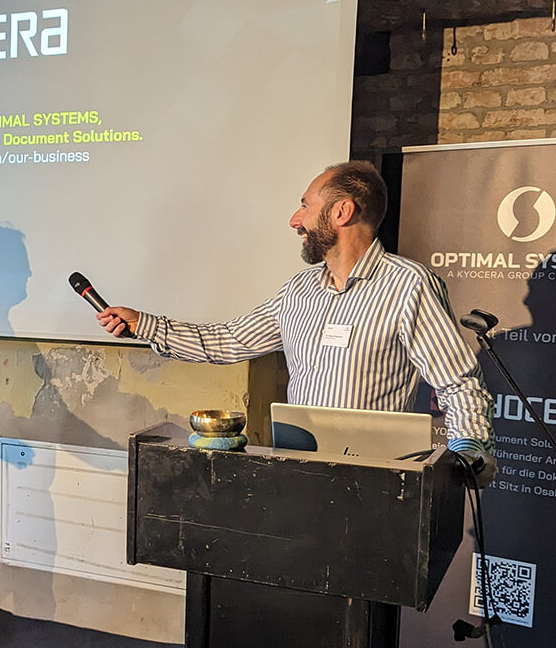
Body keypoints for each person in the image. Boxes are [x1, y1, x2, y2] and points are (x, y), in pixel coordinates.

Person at [95, 160, 496, 484]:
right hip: (296, 478)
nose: (294, 220)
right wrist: (144, 324)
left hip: (375, 488)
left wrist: (469, 452)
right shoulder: (299, 291)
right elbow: (228, 340)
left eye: (305, 205)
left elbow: (457, 382)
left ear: (342, 211)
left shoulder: (409, 285)